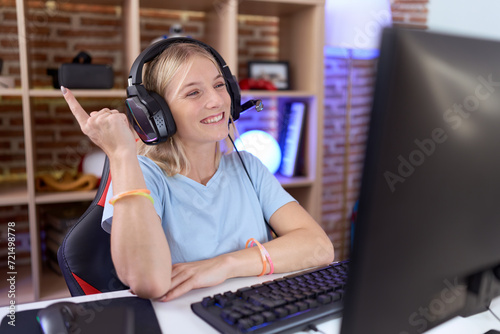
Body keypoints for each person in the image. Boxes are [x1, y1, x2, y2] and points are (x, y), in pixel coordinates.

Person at [61, 40, 334, 302]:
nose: (216, 101)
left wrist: (223, 265)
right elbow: (147, 281)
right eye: (193, 92)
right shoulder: (142, 175)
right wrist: (121, 155)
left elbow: (319, 247)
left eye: (219, 85)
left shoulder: (248, 167)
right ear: (157, 113)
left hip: (256, 310)